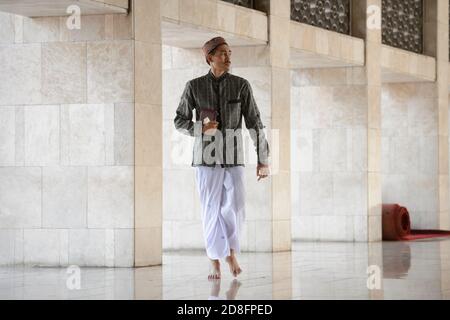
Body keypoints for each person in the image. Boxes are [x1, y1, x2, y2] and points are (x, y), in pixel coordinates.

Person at [174, 36, 270, 280]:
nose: (228, 58)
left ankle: (229, 251)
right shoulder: (193, 86)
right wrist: (201, 129)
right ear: (210, 58)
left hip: (234, 156)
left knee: (235, 207)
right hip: (205, 158)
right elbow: (179, 121)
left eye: (229, 53)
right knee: (210, 210)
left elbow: (255, 123)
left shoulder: (241, 85)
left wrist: (263, 158)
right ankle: (215, 259)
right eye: (223, 54)